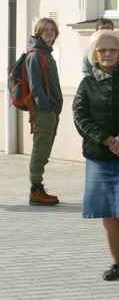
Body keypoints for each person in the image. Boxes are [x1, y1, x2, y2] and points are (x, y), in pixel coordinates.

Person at [73, 30, 119, 281]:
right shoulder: (88, 83)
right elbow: (80, 117)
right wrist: (107, 140)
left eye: (112, 49)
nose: (107, 54)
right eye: (102, 50)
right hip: (99, 156)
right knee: (108, 213)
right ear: (94, 53)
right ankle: (116, 264)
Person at [26, 18, 64, 206]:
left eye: (52, 29)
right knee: (40, 150)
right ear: (39, 32)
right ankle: (35, 190)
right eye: (45, 30)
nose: (49, 32)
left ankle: (38, 187)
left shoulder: (47, 53)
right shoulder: (35, 55)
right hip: (44, 112)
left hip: (51, 111)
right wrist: (47, 108)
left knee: (45, 150)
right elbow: (35, 86)